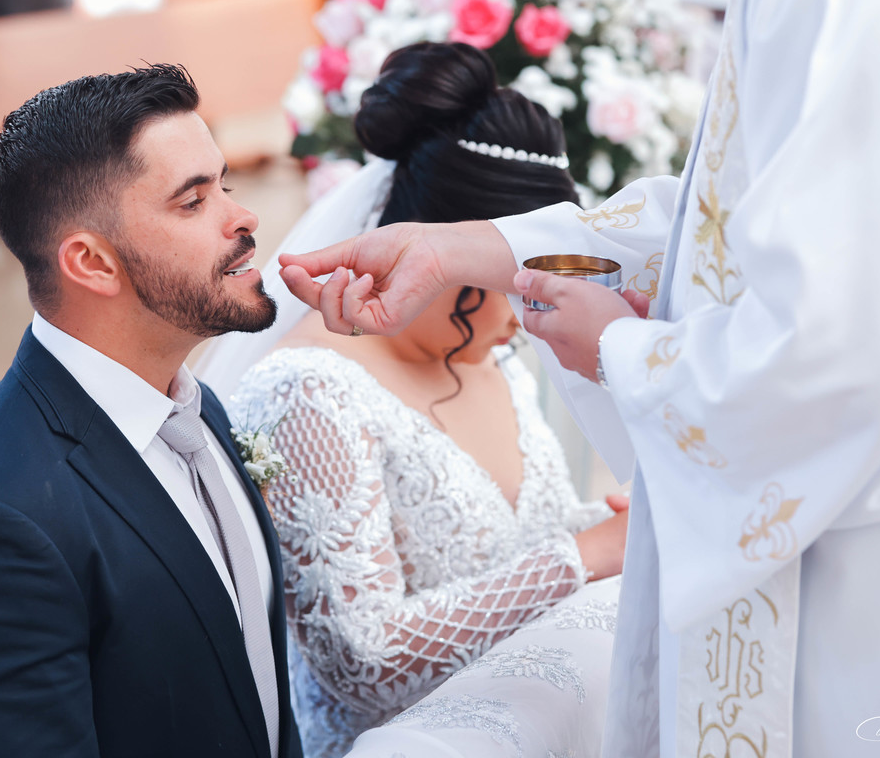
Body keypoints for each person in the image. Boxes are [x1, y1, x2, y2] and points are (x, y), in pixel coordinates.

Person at [277, 0, 880, 756]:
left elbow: (857, 336)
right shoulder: (313, 385)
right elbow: (715, 228)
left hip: (863, 565)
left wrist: (626, 353)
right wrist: (460, 249)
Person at [198, 42, 628, 758]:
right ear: (455, 253)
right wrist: (587, 554)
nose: (534, 313)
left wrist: (610, 525)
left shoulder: (493, 359)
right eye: (522, 280)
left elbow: (514, 546)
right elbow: (361, 660)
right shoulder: (308, 391)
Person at [0, 65, 303, 758]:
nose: (243, 217)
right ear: (92, 262)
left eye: (224, 185)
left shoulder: (195, 411)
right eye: (193, 201)